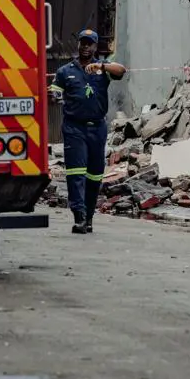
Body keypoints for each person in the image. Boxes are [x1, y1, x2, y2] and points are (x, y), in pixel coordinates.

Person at [50, 30, 126, 234]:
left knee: (94, 176)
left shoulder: (103, 69)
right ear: (78, 45)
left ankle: (90, 216)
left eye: (89, 44)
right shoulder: (66, 71)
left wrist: (101, 65)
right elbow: (54, 91)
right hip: (74, 127)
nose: (85, 47)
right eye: (82, 43)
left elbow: (121, 70)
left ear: (95, 47)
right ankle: (79, 217)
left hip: (97, 128)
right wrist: (55, 96)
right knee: (76, 174)